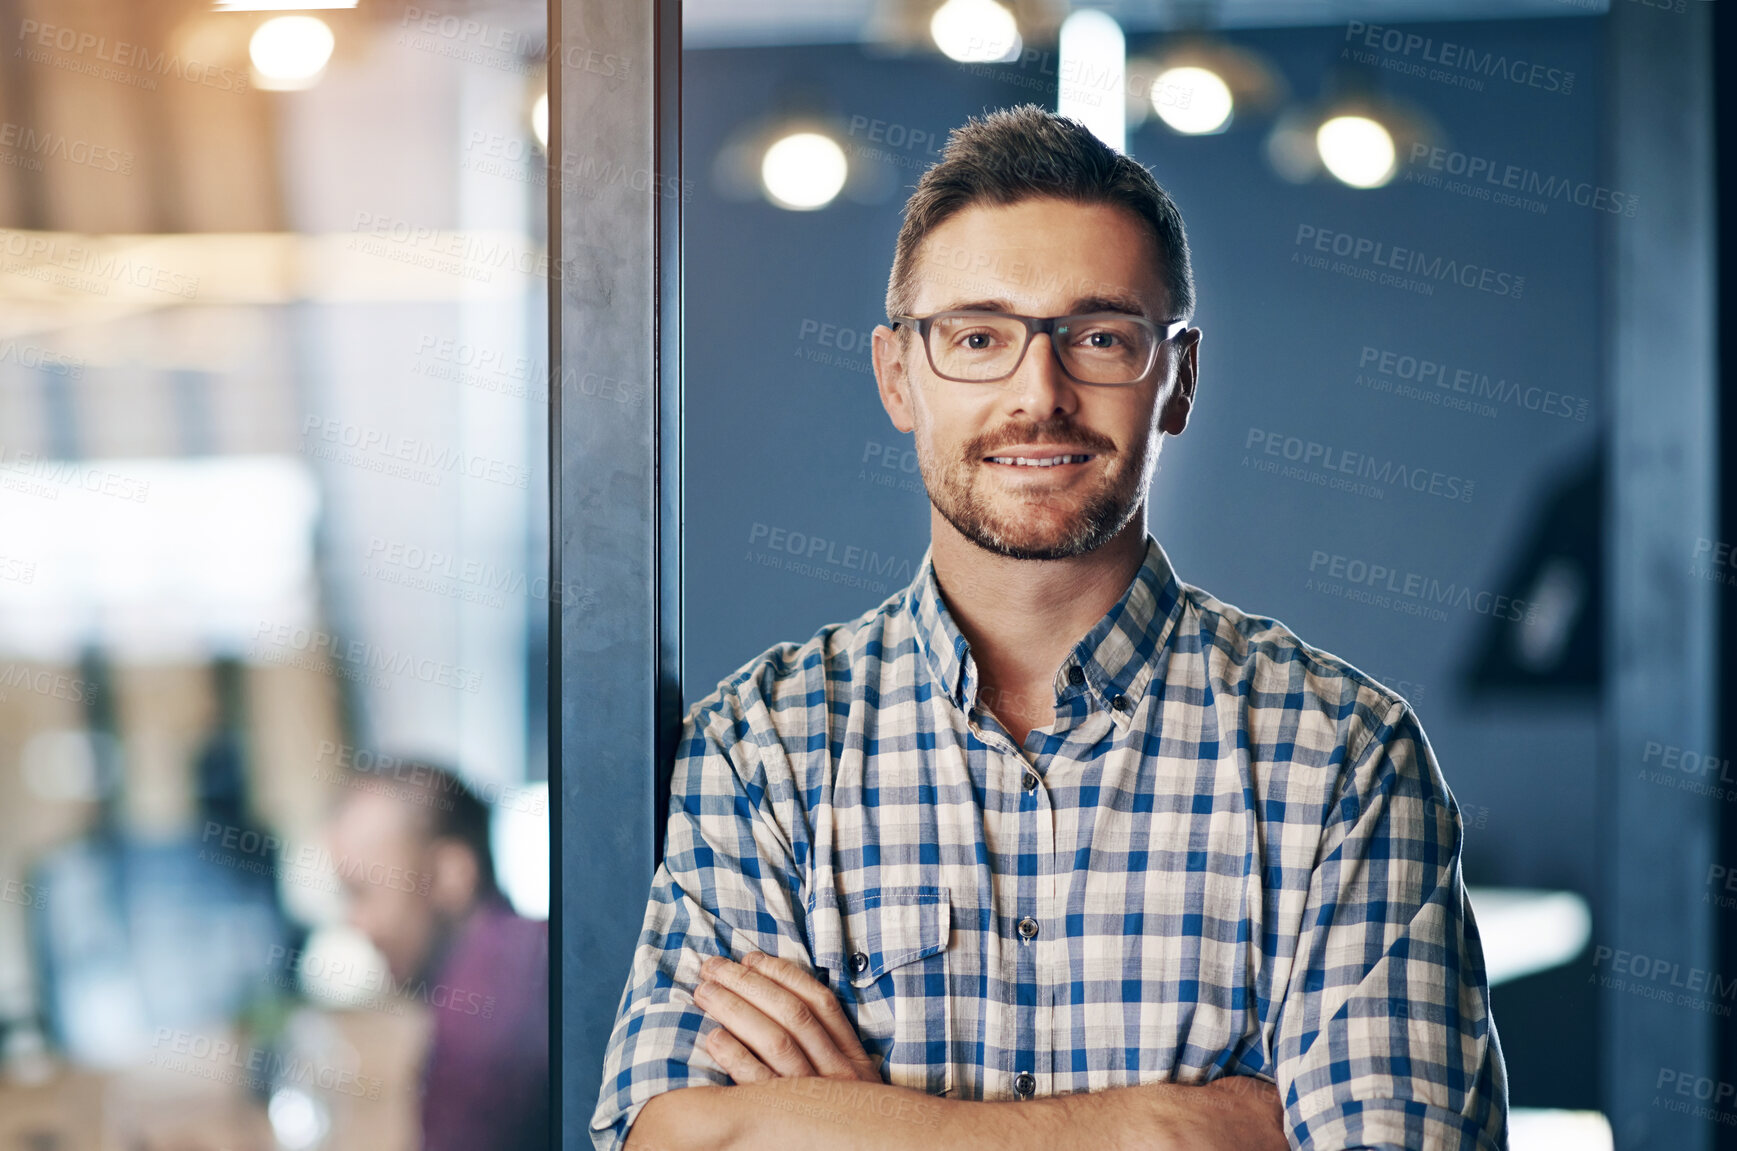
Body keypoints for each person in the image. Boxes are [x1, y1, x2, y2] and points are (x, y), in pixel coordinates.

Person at [591, 104, 1507, 1151]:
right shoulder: (762, 747)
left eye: (1100, 337)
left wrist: (857, 1122)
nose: (1039, 392)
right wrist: (1167, 1126)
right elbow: (670, 1138)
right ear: (900, 376)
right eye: (978, 336)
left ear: (1179, 380)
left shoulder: (1344, 758)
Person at [325, 762, 548, 1151]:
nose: (355, 924)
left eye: (362, 892)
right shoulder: (530, 951)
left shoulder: (477, 1016)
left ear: (451, 873)